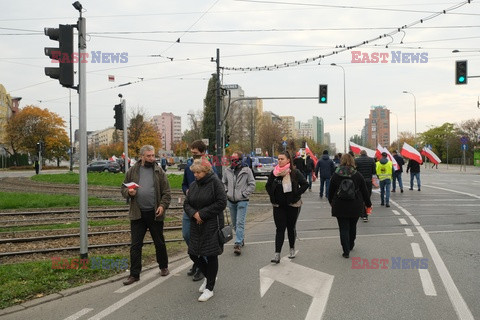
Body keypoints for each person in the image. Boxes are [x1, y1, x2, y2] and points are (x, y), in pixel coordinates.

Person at [121, 145, 172, 285]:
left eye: (153, 155)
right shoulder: (133, 171)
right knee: (135, 245)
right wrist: (128, 193)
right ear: (142, 156)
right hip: (138, 213)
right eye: (148, 156)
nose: (152, 158)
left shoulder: (158, 171)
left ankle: (163, 266)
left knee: (159, 242)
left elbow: (167, 193)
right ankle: (134, 274)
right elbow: (123, 188)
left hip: (154, 213)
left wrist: (162, 206)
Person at [184, 159, 227, 302]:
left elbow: (221, 202)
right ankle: (210, 276)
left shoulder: (215, 183)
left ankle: (210, 288)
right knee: (193, 253)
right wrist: (194, 214)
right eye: (194, 172)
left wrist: (202, 214)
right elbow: (186, 203)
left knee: (211, 254)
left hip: (212, 224)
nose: (195, 175)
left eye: (198, 172)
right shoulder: (194, 185)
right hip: (197, 224)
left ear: (206, 171)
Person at [266, 150, 309, 263]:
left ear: (288, 160)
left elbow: (305, 184)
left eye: (282, 159)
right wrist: (272, 195)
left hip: (292, 205)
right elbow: (268, 185)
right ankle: (277, 254)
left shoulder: (294, 172)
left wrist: (296, 194)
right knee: (280, 229)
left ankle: (291, 248)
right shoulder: (274, 173)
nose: (279, 161)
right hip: (278, 206)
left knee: (291, 227)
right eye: (278, 159)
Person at [328, 153, 372, 258]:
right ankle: (351, 244)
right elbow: (365, 191)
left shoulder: (336, 174)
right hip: (355, 205)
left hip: (340, 205)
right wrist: (368, 204)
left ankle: (346, 250)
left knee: (343, 228)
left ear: (341, 161)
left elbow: (330, 192)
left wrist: (331, 202)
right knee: (353, 226)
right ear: (352, 161)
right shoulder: (357, 175)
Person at [182, 140, 213, 281]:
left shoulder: (209, 166)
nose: (193, 155)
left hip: (203, 209)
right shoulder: (189, 165)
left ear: (203, 152)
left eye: (196, 153)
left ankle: (203, 266)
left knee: (202, 239)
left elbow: (214, 186)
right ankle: (197, 261)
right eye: (192, 152)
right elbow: (184, 184)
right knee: (187, 235)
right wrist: (187, 190)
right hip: (190, 207)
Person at [222, 151, 256, 255]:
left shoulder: (247, 170)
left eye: (235, 160)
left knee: (239, 222)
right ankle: (240, 238)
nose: (233, 162)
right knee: (234, 223)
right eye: (231, 159)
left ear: (241, 160)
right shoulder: (228, 170)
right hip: (231, 200)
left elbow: (252, 184)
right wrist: (227, 191)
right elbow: (223, 182)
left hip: (242, 200)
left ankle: (237, 243)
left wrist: (244, 194)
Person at [355, 149, 376, 222]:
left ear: (360, 154)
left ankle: (363, 213)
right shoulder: (371, 160)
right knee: (367, 197)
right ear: (366, 154)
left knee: (361, 197)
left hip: (360, 181)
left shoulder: (356, 160)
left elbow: (355, 171)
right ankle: (365, 214)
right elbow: (374, 171)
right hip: (368, 181)